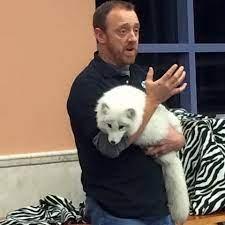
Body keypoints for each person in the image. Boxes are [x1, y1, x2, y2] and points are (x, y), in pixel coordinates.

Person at [67, 1, 187, 225]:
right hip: (116, 214)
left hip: (158, 210)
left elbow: (164, 123)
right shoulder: (87, 87)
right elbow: (110, 147)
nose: (132, 37)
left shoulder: (142, 76)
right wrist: (152, 101)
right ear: (100, 35)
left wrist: (179, 139)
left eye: (136, 29)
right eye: (123, 31)